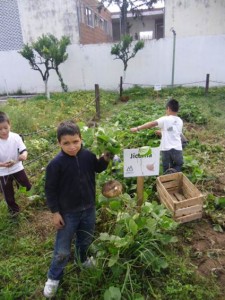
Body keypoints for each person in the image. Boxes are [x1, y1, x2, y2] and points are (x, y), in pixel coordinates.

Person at [43, 121, 112, 298]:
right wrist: (55, 212)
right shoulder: (55, 164)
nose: (72, 147)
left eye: (75, 141)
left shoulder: (88, 156)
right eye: (66, 143)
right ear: (59, 143)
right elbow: (50, 190)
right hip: (68, 213)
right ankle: (53, 278)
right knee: (62, 249)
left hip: (88, 208)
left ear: (81, 139)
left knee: (85, 239)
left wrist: (105, 159)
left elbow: (97, 168)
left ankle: (82, 259)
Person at [130, 98, 183, 173]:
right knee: (178, 165)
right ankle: (174, 177)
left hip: (166, 149)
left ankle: (168, 178)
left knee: (167, 168)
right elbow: (173, 132)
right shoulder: (180, 121)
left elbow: (152, 123)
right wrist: (162, 133)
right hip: (178, 149)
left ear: (168, 108)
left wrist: (137, 128)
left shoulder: (165, 119)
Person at [0, 111, 31, 215]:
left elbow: (23, 150)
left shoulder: (16, 137)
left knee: (27, 187)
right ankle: (14, 211)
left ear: (10, 125)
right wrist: (2, 164)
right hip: (3, 172)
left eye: (5, 128)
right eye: (0, 129)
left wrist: (24, 155)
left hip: (17, 167)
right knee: (8, 194)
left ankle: (23, 194)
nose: (3, 131)